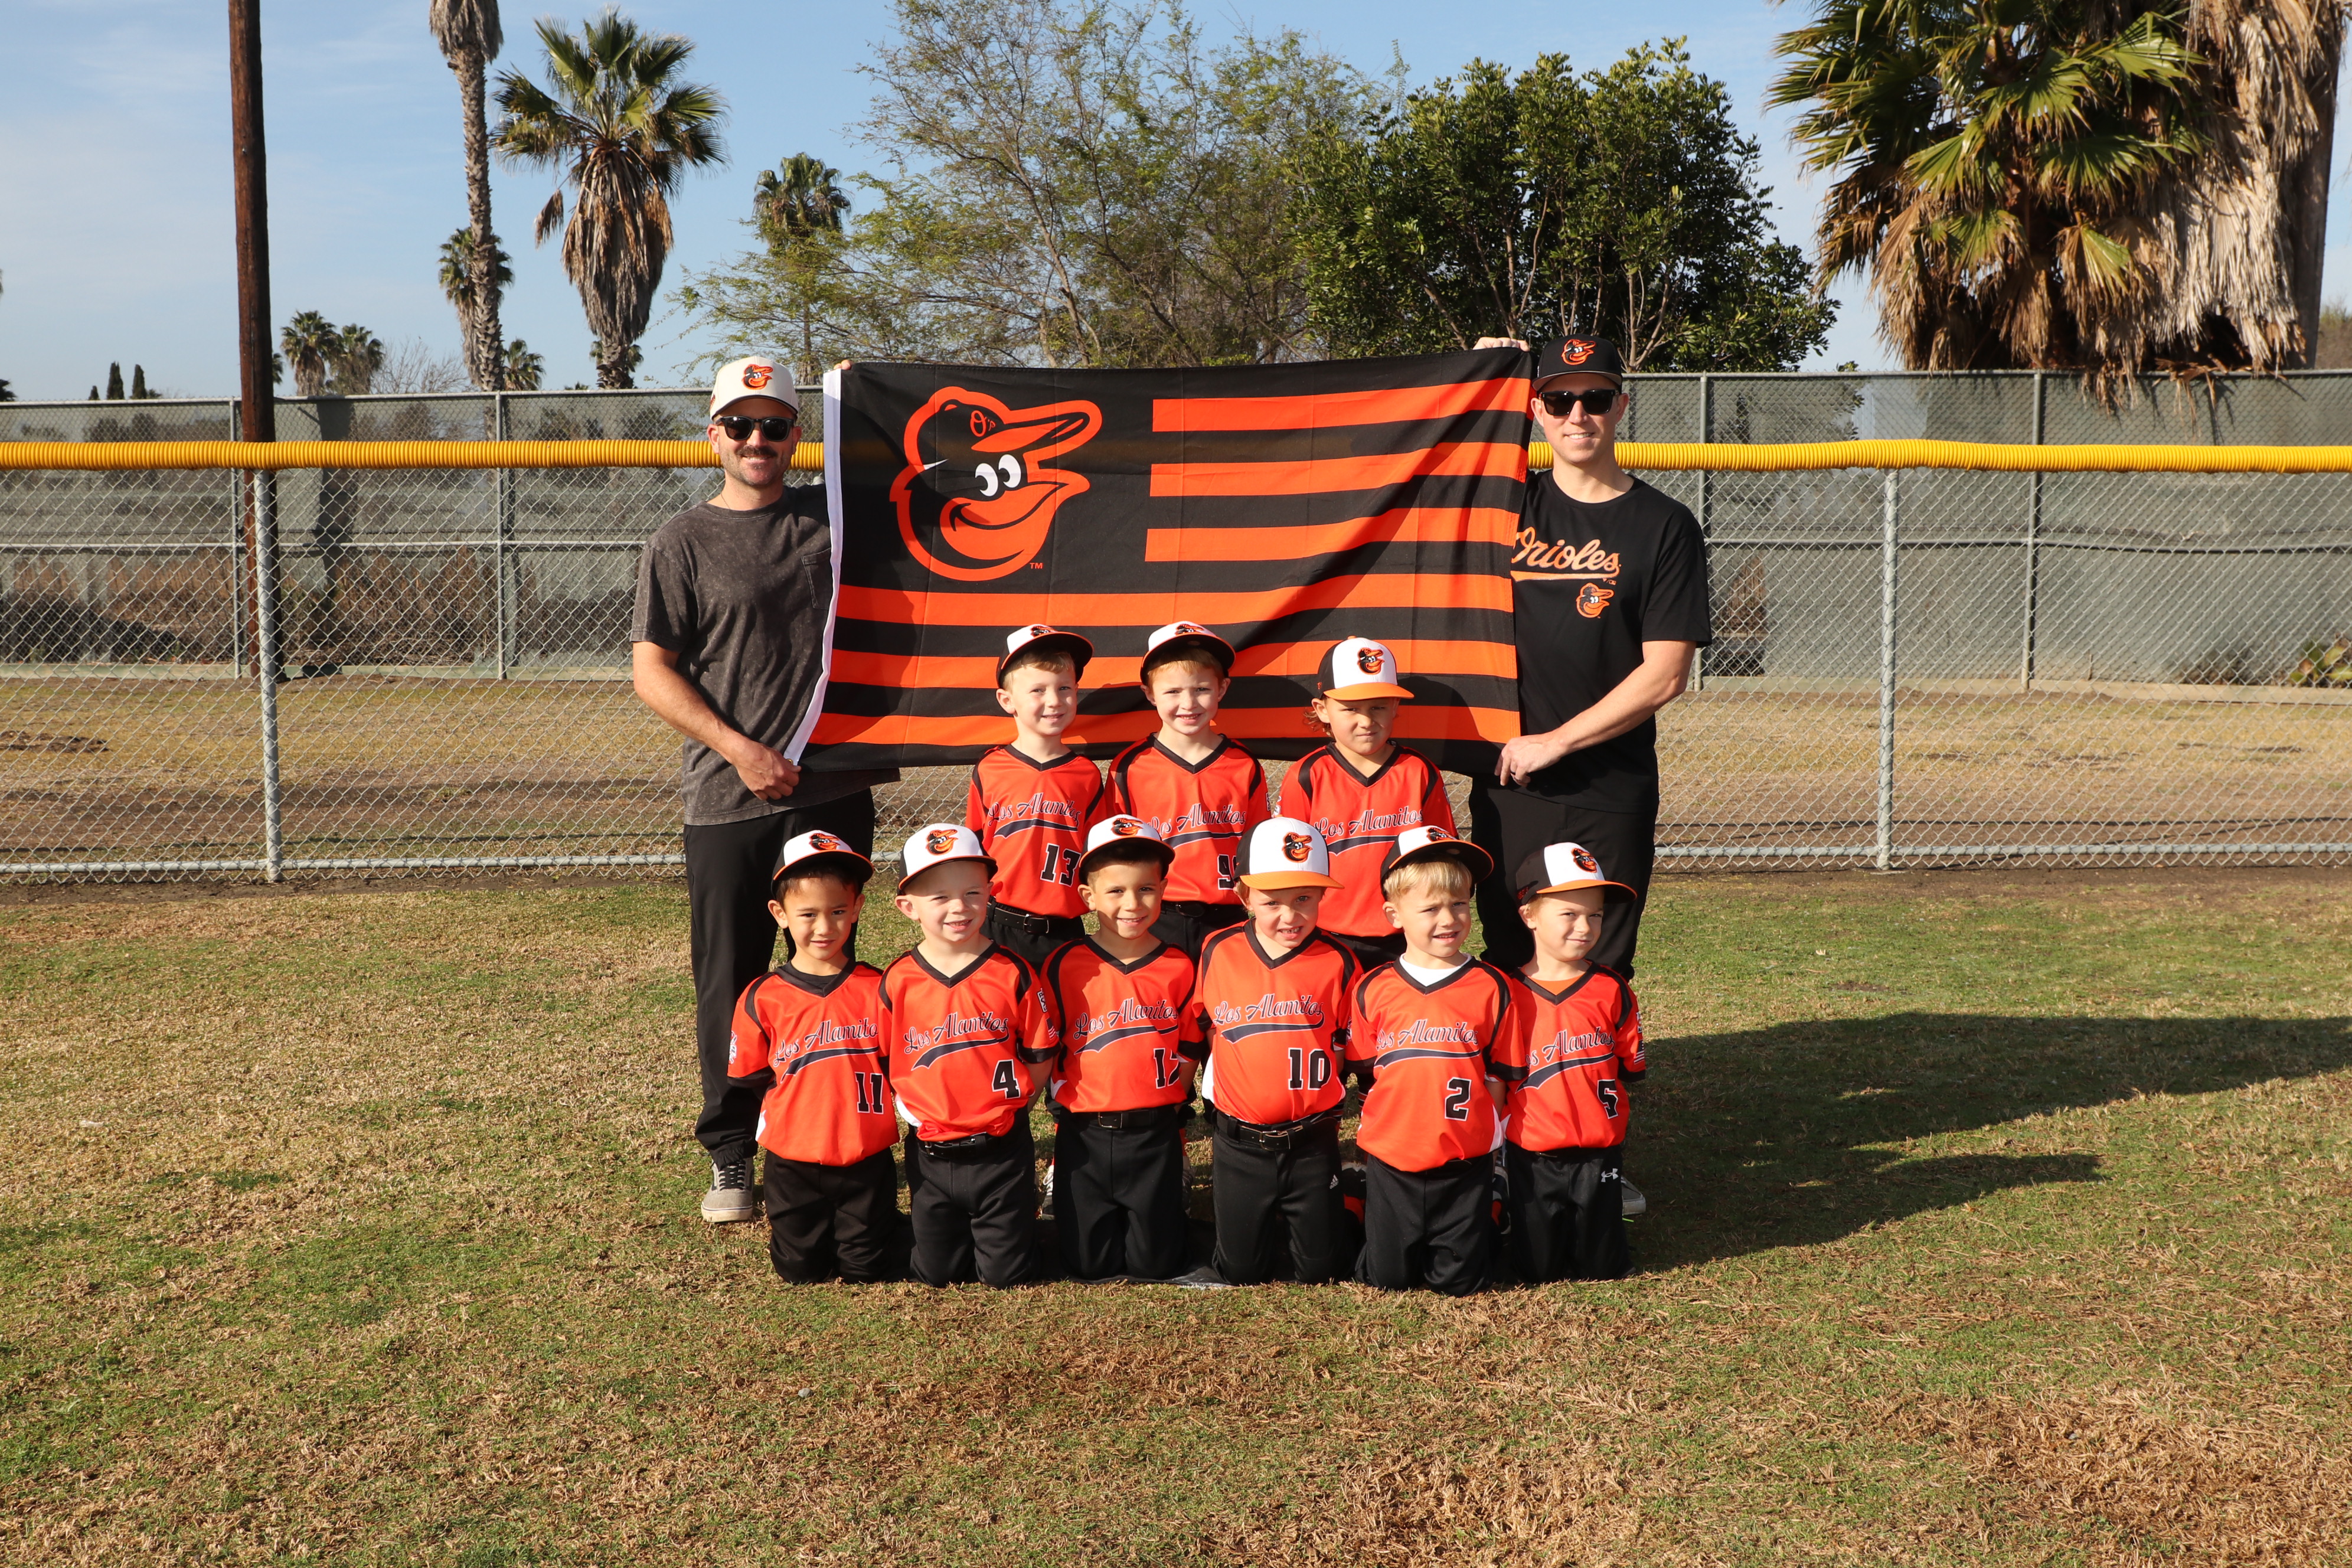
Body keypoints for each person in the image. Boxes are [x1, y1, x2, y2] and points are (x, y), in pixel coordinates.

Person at [631, 356, 898, 1224]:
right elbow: (651, 671)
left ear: (796, 436)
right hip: (728, 796)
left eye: (775, 425)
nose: (758, 440)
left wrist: (876, 396)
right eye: (741, 425)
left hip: (830, 788)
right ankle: (733, 1150)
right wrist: (739, 749)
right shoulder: (681, 541)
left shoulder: (835, 520)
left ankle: (837, 1132)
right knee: (732, 978)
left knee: (829, 967)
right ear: (714, 434)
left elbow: (930, 493)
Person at [1465, 334, 1711, 981]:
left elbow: (1666, 674)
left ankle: (1593, 1056)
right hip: (1511, 785)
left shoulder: (1665, 525)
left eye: (1596, 399)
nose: (1578, 414)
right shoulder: (1502, 505)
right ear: (1536, 411)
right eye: (1559, 400)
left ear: (1621, 406)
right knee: (1512, 960)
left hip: (1610, 786)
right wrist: (1483, 371)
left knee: (1597, 966)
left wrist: (1556, 742)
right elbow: (1434, 466)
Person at [1181, 817, 1359, 1285]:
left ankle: (1351, 1195)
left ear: (1321, 896)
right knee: (1241, 1271)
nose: (1290, 916)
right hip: (1239, 1142)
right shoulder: (1218, 949)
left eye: (1304, 898)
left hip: (1313, 1140)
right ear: (1244, 896)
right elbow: (1203, 1026)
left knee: (1321, 1271)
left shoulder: (1339, 959)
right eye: (1271, 902)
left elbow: (1349, 1045)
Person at [882, 823, 1060, 1288]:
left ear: (991, 894)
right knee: (935, 1274)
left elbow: (1040, 1053)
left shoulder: (1014, 972)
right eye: (939, 897)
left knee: (1006, 1276)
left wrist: (1013, 1107)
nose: (959, 907)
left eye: (972, 893)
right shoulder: (898, 980)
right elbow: (884, 1058)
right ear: (908, 907)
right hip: (930, 1151)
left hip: (1002, 1150)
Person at [723, 831, 900, 1283]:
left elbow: (900, 1066)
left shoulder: (881, 989)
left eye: (838, 911)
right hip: (793, 1161)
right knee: (798, 1271)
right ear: (779, 914)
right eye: (808, 914)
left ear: (857, 908)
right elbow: (750, 1078)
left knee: (867, 1269)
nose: (825, 927)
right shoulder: (762, 997)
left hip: (866, 1157)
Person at [1347, 827, 1512, 1297]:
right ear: (1394, 914)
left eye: (1459, 904)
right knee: (1389, 1280)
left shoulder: (1491, 985)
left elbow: (1499, 1073)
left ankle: (1495, 1200)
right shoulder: (1373, 987)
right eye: (1431, 908)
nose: (1449, 919)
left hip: (1465, 1160)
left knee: (1460, 1284)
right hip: (1392, 1159)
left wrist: (1488, 1139)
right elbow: (1367, 1073)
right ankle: (1359, 1192)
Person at [1038, 815, 1196, 1281]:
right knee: (1089, 1265)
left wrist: (1169, 1102)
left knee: (1156, 1265)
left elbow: (1190, 1046)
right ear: (1088, 897)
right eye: (1116, 891)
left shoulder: (1179, 965)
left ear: (1163, 889)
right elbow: (1047, 1046)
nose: (1133, 904)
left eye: (1146, 889)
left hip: (1154, 1134)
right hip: (1084, 1135)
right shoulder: (1064, 963)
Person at [1490, 842, 1646, 1283]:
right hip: (1532, 1153)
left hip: (1599, 1150)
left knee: (1603, 1269)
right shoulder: (1504, 993)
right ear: (1529, 916)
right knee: (1535, 1270)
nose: (1585, 927)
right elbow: (1496, 1078)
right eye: (1569, 914)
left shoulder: (1612, 989)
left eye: (1595, 915)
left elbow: (1627, 1067)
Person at [1273, 636, 1455, 969]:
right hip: (1326, 934)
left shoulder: (1419, 771)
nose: (1367, 721)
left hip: (1407, 935)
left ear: (1396, 707)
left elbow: (1441, 857)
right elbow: (1287, 868)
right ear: (1322, 710)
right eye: (1351, 709)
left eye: (1378, 707)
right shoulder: (1307, 775)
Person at [1105, 621, 1270, 959]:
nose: (1189, 703)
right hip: (1155, 916)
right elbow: (1115, 854)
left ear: (1222, 688)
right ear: (1150, 693)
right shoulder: (1129, 767)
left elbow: (1258, 846)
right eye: (1173, 692)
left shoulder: (1243, 764)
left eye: (1201, 689)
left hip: (1229, 917)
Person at [965, 624, 1106, 969]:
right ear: (1007, 700)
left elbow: (1098, 858)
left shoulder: (1087, 774)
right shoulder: (990, 768)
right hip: (997, 923)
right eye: (1038, 690)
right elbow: (975, 847)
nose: (1054, 701)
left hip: (1064, 929)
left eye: (1064, 688)